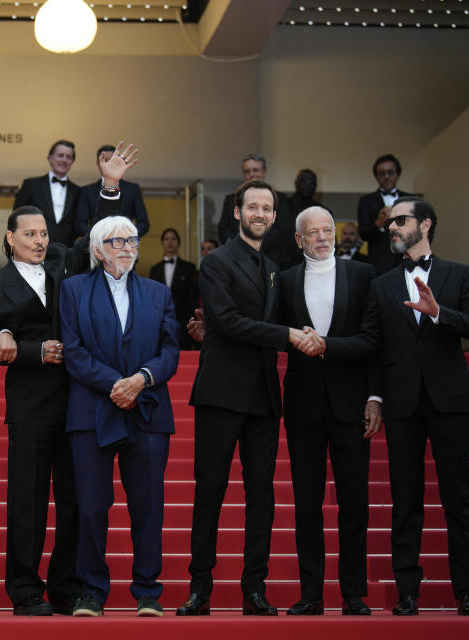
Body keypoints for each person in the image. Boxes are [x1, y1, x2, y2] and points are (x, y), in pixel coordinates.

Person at [181, 179, 324, 617]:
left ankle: (254, 590)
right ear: (237, 213)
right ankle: (199, 589)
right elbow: (227, 322)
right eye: (252, 207)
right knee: (211, 492)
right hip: (221, 394)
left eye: (267, 208)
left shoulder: (277, 268)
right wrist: (288, 336)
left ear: (275, 217)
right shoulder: (216, 262)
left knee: (262, 496)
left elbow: (283, 319)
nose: (260, 214)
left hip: (264, 397)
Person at [344, 196, 469, 616]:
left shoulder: (459, 275)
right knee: (405, 500)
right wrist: (374, 396)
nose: (391, 226)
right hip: (402, 401)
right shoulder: (381, 283)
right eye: (389, 221)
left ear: (425, 225)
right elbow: (373, 344)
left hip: (450, 400)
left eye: (400, 220)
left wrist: (440, 312)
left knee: (457, 498)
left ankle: (467, 592)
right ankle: (408, 591)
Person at [59, 214, 180, 617]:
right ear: (96, 250)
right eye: (116, 242)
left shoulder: (159, 293)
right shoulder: (73, 289)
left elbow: (170, 351)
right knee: (91, 506)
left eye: (131, 240)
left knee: (148, 506)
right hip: (92, 409)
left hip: (146, 410)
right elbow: (73, 352)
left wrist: (141, 380)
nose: (127, 247)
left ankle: (148, 590)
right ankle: (91, 591)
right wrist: (117, 383)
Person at [0, 206, 80, 616]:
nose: (40, 241)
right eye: (31, 234)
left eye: (43, 234)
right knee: (28, 501)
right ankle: (24, 589)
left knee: (73, 499)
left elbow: (94, 238)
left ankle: (66, 586)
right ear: (10, 238)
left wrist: (109, 189)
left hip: (76, 399)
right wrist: (34, 351)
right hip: (30, 403)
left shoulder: (63, 266)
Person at [278, 207, 376, 616]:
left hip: (351, 404)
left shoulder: (363, 275)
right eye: (312, 232)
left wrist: (375, 396)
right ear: (299, 240)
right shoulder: (283, 281)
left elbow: (373, 340)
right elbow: (272, 334)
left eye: (327, 230)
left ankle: (354, 593)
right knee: (306, 503)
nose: (322, 237)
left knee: (354, 502)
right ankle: (311, 595)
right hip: (303, 405)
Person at [74, 144, 150, 238]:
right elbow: (80, 224)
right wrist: (96, 238)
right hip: (96, 246)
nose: (109, 165)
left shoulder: (132, 189)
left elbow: (143, 222)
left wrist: (129, 237)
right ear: (98, 163)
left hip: (126, 246)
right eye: (105, 161)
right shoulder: (86, 191)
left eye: (112, 161)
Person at [14, 140, 80, 247]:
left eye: (68, 157)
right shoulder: (31, 185)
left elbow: (79, 223)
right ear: (50, 158)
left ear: (72, 161)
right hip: (33, 248)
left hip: (66, 253)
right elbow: (16, 218)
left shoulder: (78, 191)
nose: (64, 160)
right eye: (60, 155)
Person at [357, 154, 412, 276]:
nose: (386, 176)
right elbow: (363, 233)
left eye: (390, 172)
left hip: (407, 262)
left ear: (398, 174)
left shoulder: (411, 200)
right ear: (376, 177)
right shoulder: (366, 201)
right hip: (379, 265)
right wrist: (378, 223)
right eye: (382, 173)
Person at [217, 154, 287, 245]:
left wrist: (256, 245)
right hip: (237, 254)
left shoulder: (280, 198)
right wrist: (241, 246)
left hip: (271, 255)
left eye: (256, 170)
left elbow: (282, 229)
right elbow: (224, 229)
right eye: (247, 171)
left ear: (264, 172)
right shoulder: (231, 200)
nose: (251, 174)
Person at [149, 228, 199, 349]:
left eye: (173, 239)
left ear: (178, 242)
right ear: (162, 243)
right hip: (160, 320)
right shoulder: (154, 270)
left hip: (183, 320)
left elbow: (192, 297)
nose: (170, 242)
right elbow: (152, 298)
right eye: (166, 239)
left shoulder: (189, 267)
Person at [263, 169, 322, 271]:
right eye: (304, 181)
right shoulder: (282, 206)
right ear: (296, 183)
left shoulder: (323, 211)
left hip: (313, 265)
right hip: (283, 265)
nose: (308, 185)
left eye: (312, 182)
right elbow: (273, 235)